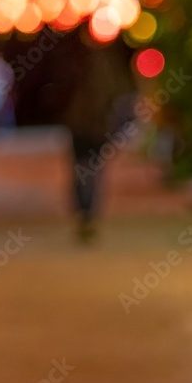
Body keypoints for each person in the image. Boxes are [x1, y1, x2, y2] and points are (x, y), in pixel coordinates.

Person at [59, 36, 135, 242]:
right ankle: (86, 212)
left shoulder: (84, 64)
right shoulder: (101, 65)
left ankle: (85, 212)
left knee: (83, 169)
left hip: (88, 126)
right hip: (90, 126)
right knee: (90, 170)